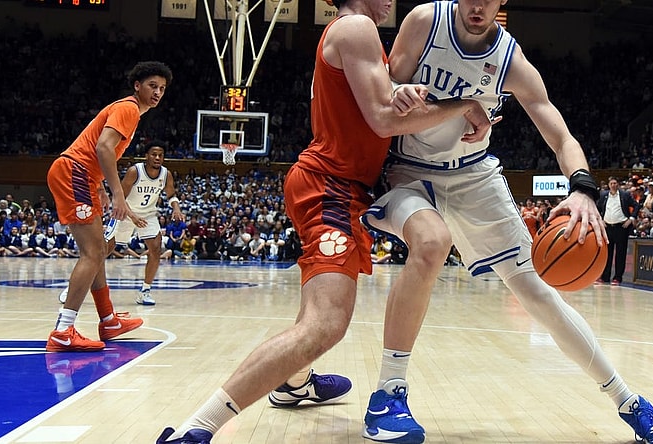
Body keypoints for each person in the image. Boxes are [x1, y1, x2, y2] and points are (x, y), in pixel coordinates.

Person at [156, 0, 492, 442]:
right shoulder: (356, 27)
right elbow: (385, 119)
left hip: (339, 185)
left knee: (317, 310)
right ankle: (195, 429)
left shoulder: (352, 32)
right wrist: (464, 103)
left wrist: (405, 94)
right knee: (326, 324)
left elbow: (383, 108)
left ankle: (295, 385)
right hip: (330, 187)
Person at [360, 1, 653, 443]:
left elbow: (560, 134)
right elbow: (383, 90)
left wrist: (583, 189)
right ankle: (388, 393)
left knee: (538, 293)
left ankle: (630, 403)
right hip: (409, 171)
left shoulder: (510, 59)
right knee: (431, 245)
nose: (479, 6)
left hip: (474, 175)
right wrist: (398, 91)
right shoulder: (423, 22)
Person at [45, 61, 172, 352]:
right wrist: (117, 193)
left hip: (84, 176)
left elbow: (97, 152)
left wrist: (99, 185)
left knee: (99, 250)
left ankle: (108, 320)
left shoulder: (130, 112)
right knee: (92, 253)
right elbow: (103, 147)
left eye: (162, 88)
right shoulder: (128, 108)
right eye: (152, 85)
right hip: (74, 172)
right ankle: (64, 330)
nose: (158, 92)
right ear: (137, 86)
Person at [110, 141, 183, 305]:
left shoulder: (166, 174)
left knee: (156, 249)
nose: (157, 158)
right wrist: (132, 216)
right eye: (154, 154)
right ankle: (76, 287)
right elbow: (119, 198)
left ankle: (145, 290)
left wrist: (176, 208)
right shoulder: (134, 171)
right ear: (146, 156)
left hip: (148, 215)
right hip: (124, 212)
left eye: (160, 155)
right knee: (102, 251)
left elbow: (171, 195)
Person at [597, 177, 638, 285]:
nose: (613, 185)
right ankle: (604, 276)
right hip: (607, 227)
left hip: (621, 227)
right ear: (608, 185)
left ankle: (617, 277)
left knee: (621, 253)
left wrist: (631, 219)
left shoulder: (625, 195)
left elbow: (636, 205)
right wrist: (600, 220)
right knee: (607, 253)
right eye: (611, 183)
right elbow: (597, 208)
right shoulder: (603, 195)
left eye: (615, 183)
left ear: (618, 184)